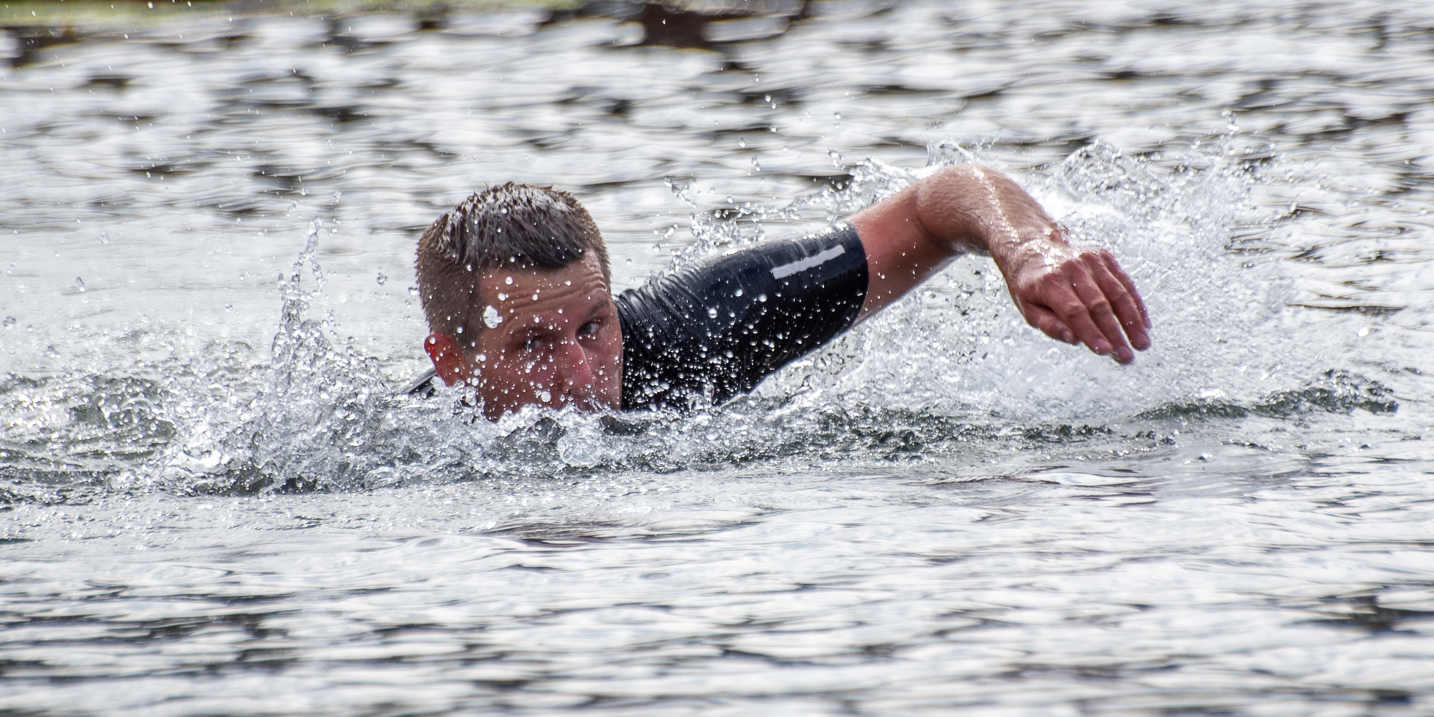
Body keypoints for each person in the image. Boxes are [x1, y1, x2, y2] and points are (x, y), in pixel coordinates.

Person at [413, 165, 1151, 419]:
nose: (582, 376)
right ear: (451, 363)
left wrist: (1028, 247)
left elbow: (939, 201)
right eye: (534, 346)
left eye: (593, 328)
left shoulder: (695, 329)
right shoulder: (393, 448)